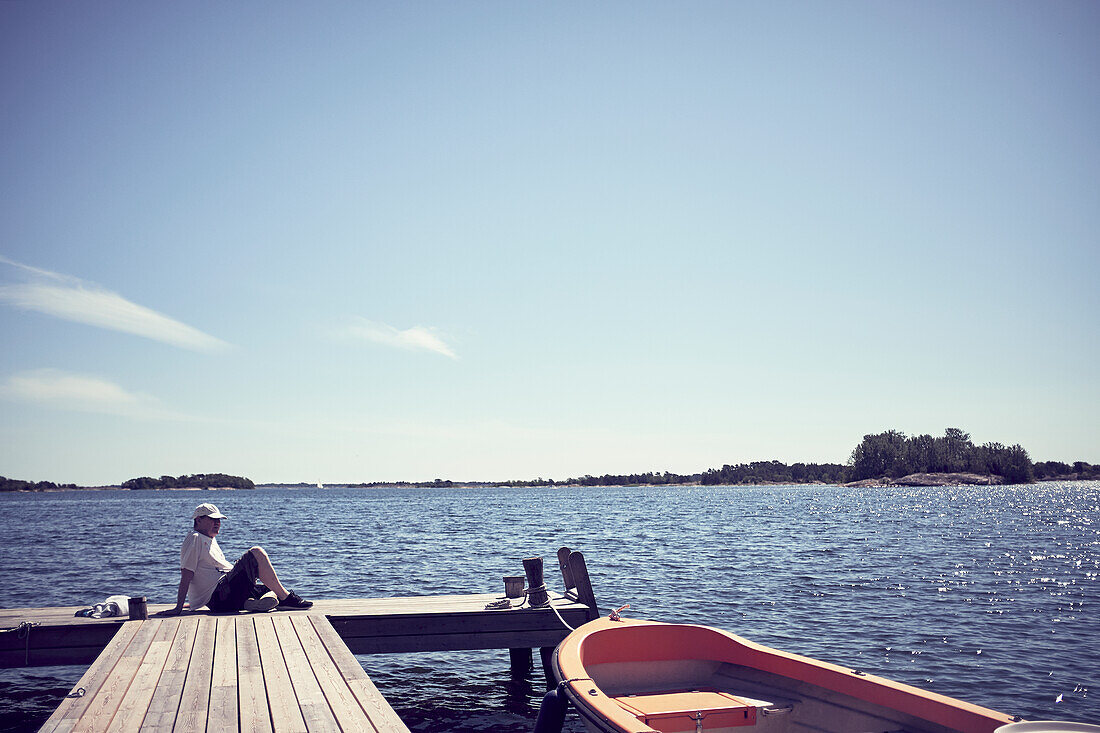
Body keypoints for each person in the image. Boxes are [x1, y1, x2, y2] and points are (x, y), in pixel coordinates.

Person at [162, 503, 312, 615]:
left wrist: (193, 603)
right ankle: (285, 600)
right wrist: (178, 607)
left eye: (219, 520)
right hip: (220, 596)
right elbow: (187, 574)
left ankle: (251, 603)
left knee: (270, 587)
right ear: (198, 520)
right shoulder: (195, 539)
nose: (217, 523)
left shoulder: (208, 539)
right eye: (213, 519)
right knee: (257, 552)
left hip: (225, 598)